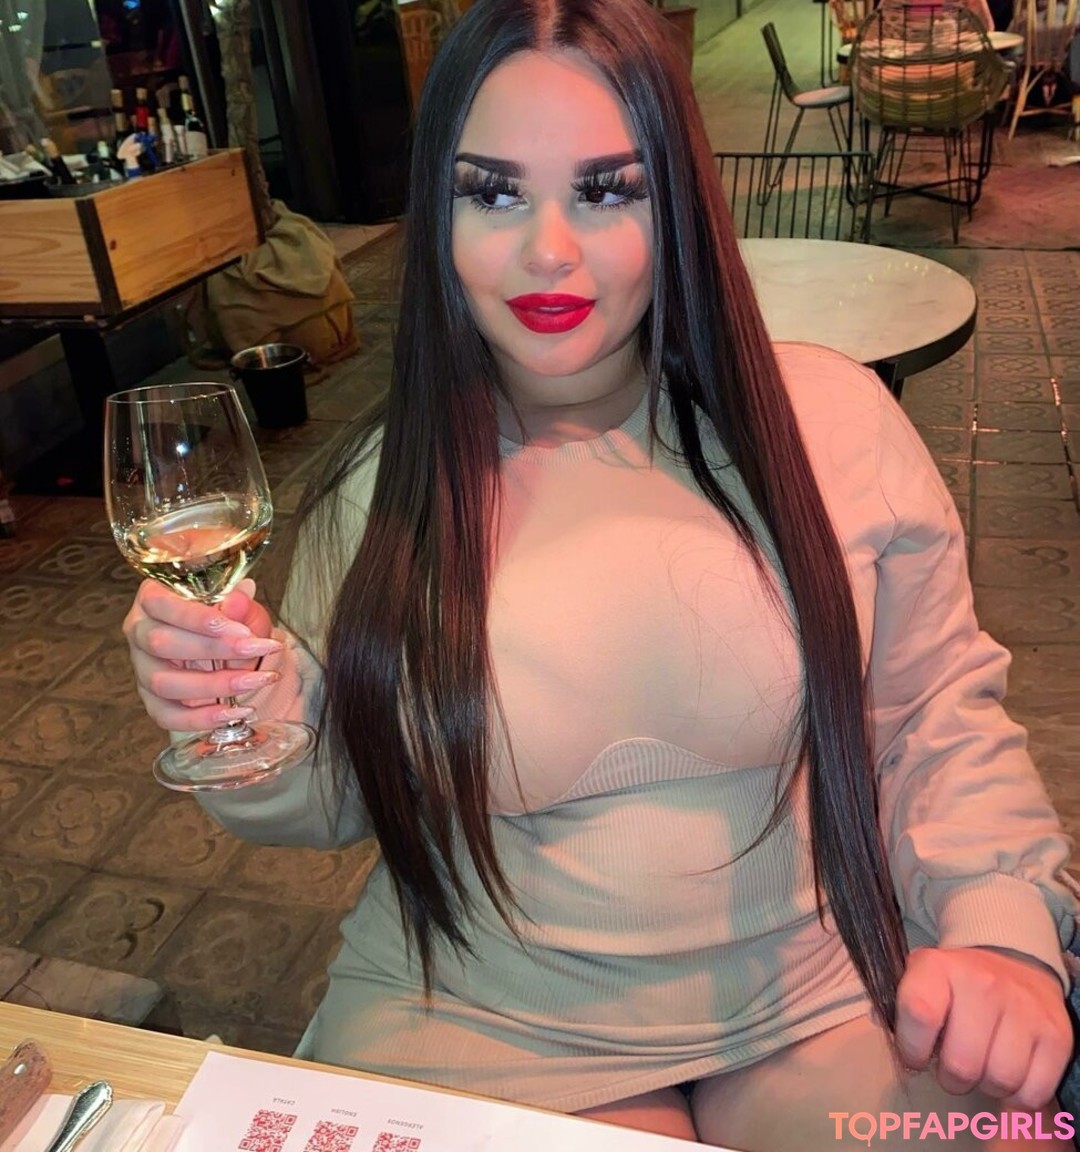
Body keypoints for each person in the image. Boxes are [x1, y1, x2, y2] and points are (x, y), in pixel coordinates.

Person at [123, 0, 1078, 1147]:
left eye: (608, 190)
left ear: (677, 201)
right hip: (473, 1006)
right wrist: (251, 717)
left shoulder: (834, 425)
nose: (549, 251)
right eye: (492, 194)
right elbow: (339, 796)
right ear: (437, 217)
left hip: (818, 985)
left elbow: (933, 716)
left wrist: (1002, 931)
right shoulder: (381, 488)